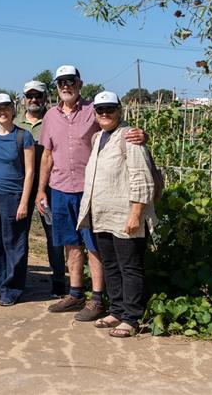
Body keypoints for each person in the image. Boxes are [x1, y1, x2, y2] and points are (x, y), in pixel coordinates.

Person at [36, 65, 146, 322]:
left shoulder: (94, 110)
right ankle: (75, 293)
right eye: (61, 82)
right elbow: (48, 155)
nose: (66, 86)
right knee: (70, 243)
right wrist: (41, 189)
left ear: (79, 83)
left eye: (70, 81)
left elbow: (117, 130)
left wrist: (142, 134)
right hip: (60, 188)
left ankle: (97, 298)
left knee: (93, 245)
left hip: (91, 191)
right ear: (56, 86)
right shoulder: (50, 116)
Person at [77, 91, 157, 338]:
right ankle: (117, 310)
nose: (104, 114)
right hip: (102, 215)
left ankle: (131, 318)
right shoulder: (98, 137)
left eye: (109, 109)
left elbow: (141, 178)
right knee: (111, 264)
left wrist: (135, 213)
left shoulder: (129, 137)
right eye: (100, 110)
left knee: (129, 266)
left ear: (119, 110)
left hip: (124, 214)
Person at [0, 93, 35, 306]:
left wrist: (23, 202)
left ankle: (11, 289)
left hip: (13, 196)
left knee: (14, 243)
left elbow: (30, 172)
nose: (1, 112)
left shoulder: (24, 136)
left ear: (13, 109)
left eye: (5, 107)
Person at [15, 80, 67, 297]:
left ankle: (58, 280)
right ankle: (18, 279)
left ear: (46, 97)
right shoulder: (15, 122)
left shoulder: (55, 119)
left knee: (54, 234)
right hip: (21, 188)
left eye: (38, 96)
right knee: (18, 234)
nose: (34, 100)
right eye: (30, 96)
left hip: (49, 188)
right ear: (24, 98)